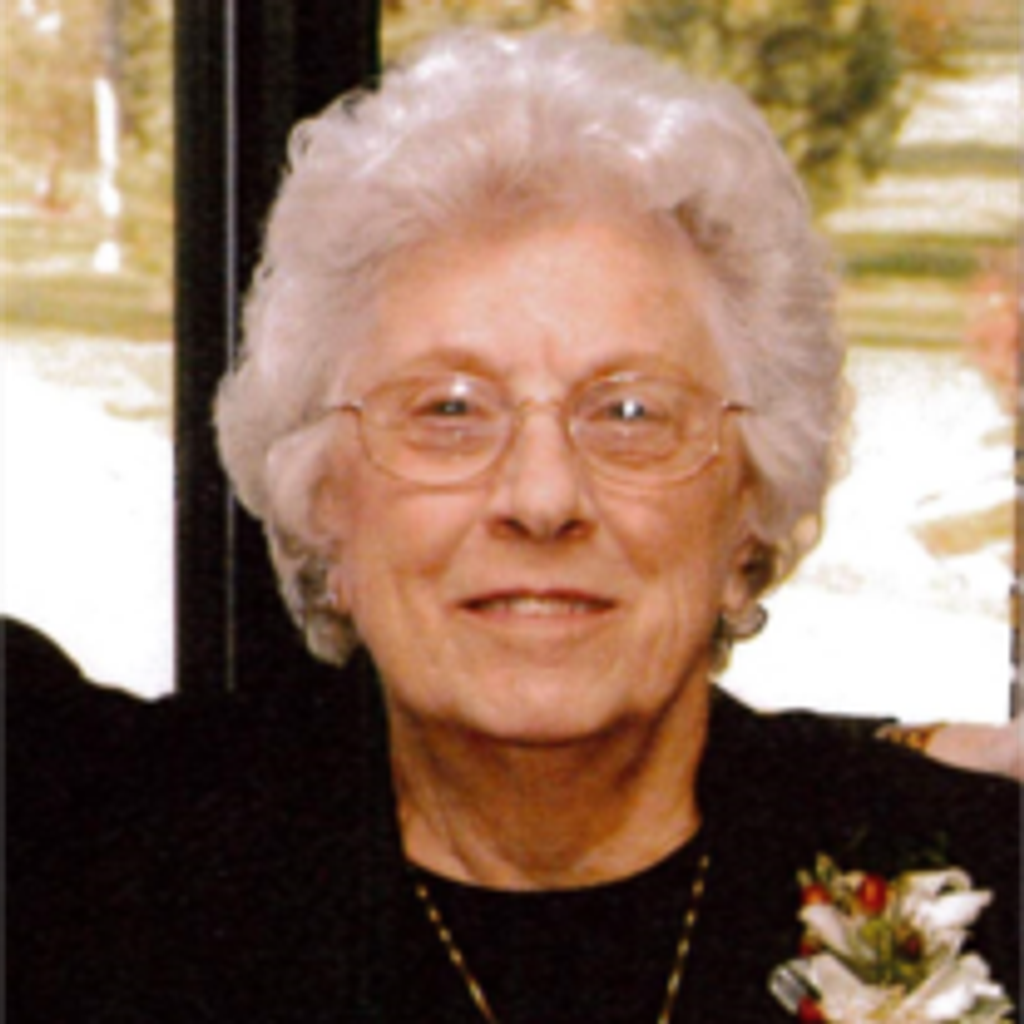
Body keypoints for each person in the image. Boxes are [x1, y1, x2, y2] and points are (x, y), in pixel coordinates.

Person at [4, 28, 1022, 1024]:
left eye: (631, 413)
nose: (541, 497)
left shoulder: (975, 884)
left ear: (750, 509)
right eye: (448, 410)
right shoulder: (109, 885)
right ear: (324, 503)